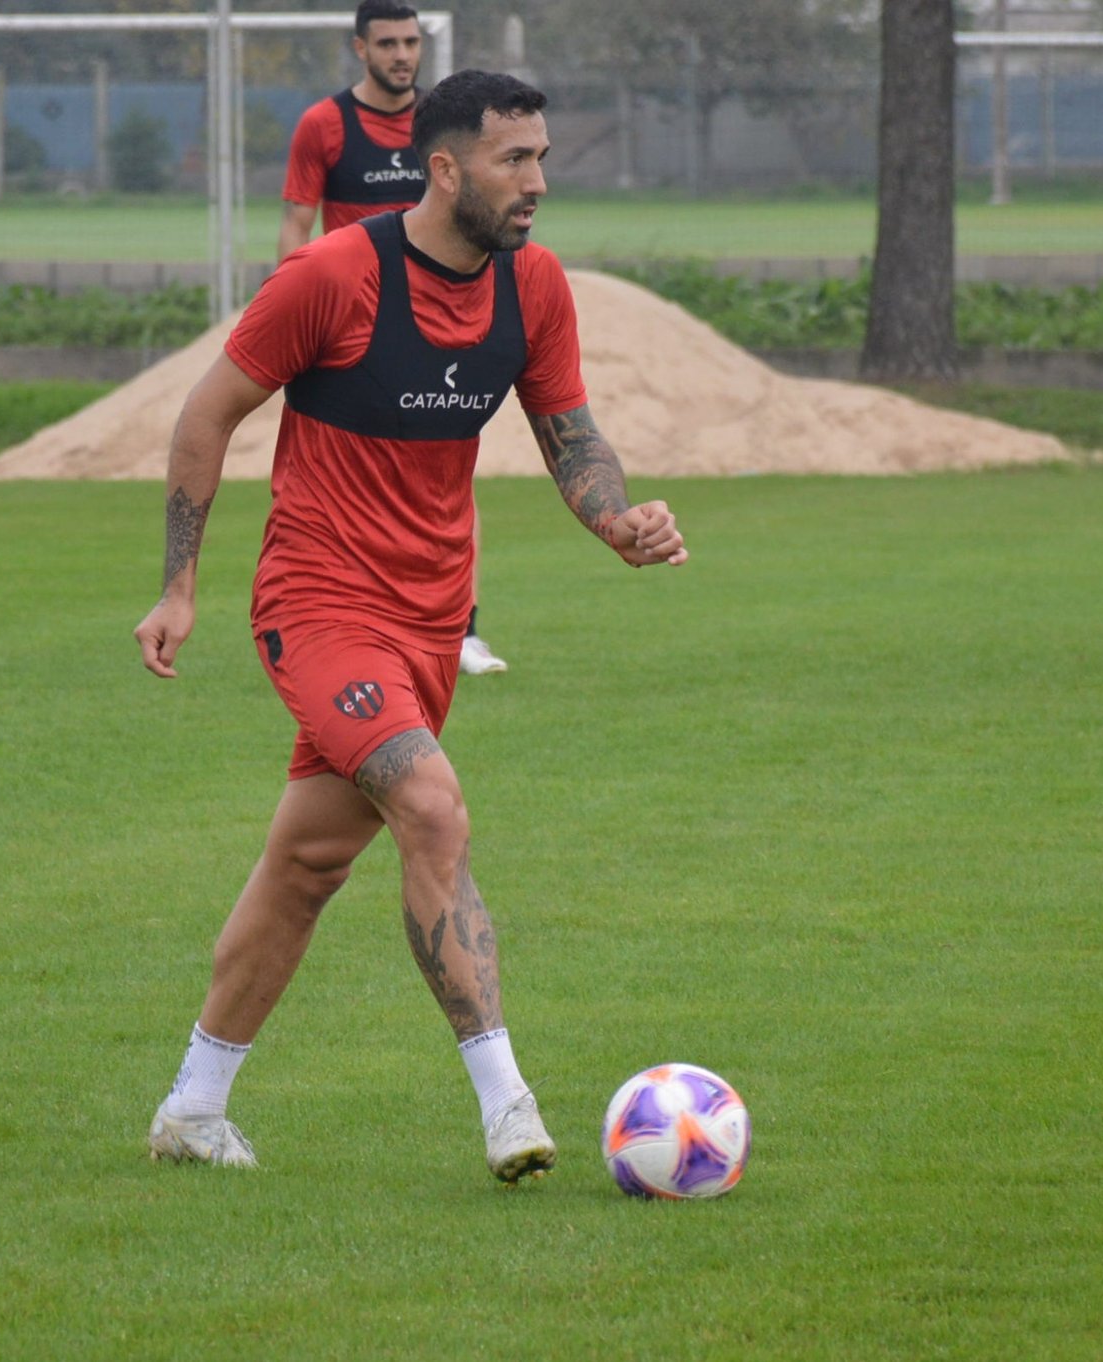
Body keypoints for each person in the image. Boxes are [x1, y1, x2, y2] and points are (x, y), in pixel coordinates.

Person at [134, 69, 687, 1184]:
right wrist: (179, 587)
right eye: (512, 159)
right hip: (317, 606)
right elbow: (207, 413)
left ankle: (192, 1109)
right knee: (431, 807)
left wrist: (616, 521)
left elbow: (569, 432)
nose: (536, 181)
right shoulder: (332, 276)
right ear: (443, 169)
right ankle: (508, 1107)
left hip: (430, 622)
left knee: (308, 863)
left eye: (540, 157)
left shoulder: (533, 287)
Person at [279, 0, 510, 677]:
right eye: (388, 43)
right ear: (360, 48)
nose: (403, 54)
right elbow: (296, 225)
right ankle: (343, 615)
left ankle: (461, 630)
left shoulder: (443, 127)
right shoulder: (325, 125)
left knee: (451, 469)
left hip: (441, 316)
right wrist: (292, 309)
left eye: (411, 42)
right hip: (355, 324)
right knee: (348, 475)